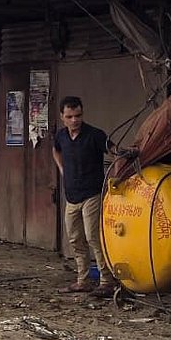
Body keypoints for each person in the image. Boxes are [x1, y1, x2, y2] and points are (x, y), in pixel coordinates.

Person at [52, 95, 114, 296]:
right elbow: (56, 150)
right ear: (62, 116)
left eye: (78, 116)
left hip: (92, 193)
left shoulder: (95, 135)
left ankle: (106, 281)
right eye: (70, 116)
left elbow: (114, 151)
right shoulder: (61, 136)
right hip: (71, 195)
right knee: (75, 239)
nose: (74, 120)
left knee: (93, 237)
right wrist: (62, 169)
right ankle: (83, 280)